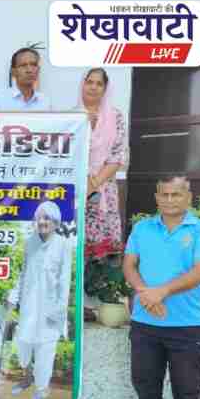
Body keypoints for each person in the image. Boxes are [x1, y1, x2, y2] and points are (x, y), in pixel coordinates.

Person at [120, 176, 200, 399]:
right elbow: (129, 265)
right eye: (165, 194)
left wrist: (161, 292)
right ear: (157, 197)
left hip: (186, 326)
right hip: (145, 324)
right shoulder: (143, 228)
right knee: (145, 383)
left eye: (177, 194)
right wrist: (145, 293)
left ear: (188, 197)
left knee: (187, 390)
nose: (171, 199)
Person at [8, 201, 72, 399]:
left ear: (55, 222)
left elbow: (64, 279)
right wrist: (14, 295)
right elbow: (24, 272)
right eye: (40, 218)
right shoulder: (29, 242)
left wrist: (59, 308)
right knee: (24, 342)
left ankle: (42, 388)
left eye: (47, 218)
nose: (43, 222)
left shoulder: (64, 244)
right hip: (29, 304)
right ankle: (27, 378)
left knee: (45, 348)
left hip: (50, 307)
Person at [78, 68, 128, 259]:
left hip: (104, 187)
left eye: (99, 84)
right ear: (82, 84)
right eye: (89, 82)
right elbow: (66, 151)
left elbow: (118, 154)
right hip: (77, 187)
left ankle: (102, 287)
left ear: (105, 88)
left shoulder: (115, 117)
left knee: (103, 250)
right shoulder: (71, 116)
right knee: (76, 241)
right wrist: (86, 126)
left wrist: (94, 183)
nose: (93, 87)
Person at [0, 47, 51, 111]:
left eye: (33, 65)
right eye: (23, 65)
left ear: (38, 69)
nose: (29, 70)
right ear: (13, 72)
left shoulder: (45, 102)